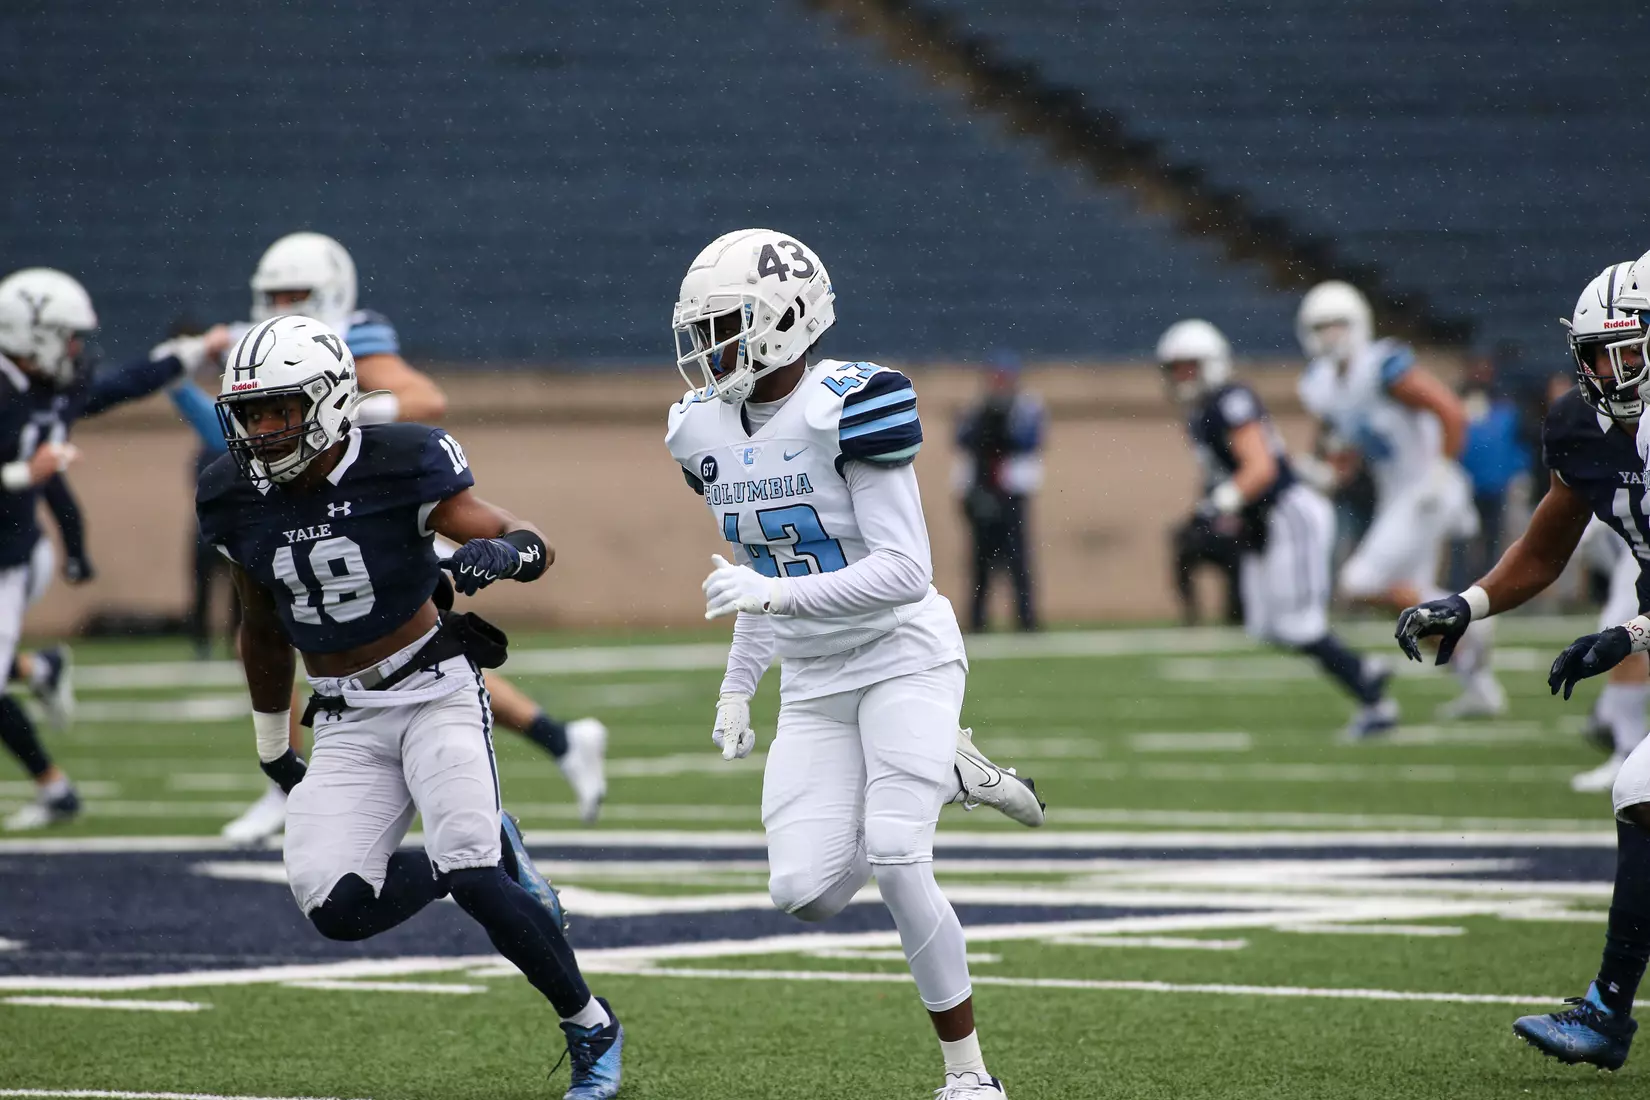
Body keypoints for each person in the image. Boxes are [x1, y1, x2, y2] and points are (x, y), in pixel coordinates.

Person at [666, 229, 1046, 1100]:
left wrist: (774, 601)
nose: (709, 350)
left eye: (726, 326)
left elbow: (906, 571)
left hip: (903, 656)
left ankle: (969, 1076)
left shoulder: (852, 404)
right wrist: (737, 685)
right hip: (813, 681)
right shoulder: (700, 430)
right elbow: (759, 573)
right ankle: (947, 766)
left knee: (897, 852)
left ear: (786, 322)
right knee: (804, 892)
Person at [199, 316, 622, 1098]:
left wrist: (506, 554)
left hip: (434, 691)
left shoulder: (400, 460)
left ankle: (591, 1022)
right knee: (335, 906)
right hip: (345, 714)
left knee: (474, 871)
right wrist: (271, 742)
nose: (261, 431)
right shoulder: (231, 494)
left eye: (278, 411)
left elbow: (521, 534)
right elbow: (261, 624)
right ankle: (488, 854)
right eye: (251, 414)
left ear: (327, 402)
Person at [205, 233, 606, 844]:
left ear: (331, 293)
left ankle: (539, 755)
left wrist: (342, 414)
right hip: (290, 500)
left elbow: (426, 398)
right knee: (327, 633)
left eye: (297, 293)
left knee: (398, 641)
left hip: (369, 508)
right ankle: (559, 739)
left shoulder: (352, 336)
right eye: (274, 294)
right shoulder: (256, 348)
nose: (284, 303)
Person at [1396, 260, 1650, 1071]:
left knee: (1642, 788)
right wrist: (1465, 604)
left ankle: (1608, 1016)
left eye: (1626, 351)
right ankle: (1608, 1014)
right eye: (1596, 353)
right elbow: (1549, 540)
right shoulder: (1581, 426)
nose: (1604, 371)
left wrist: (1631, 635)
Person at [0, 267, 231, 830]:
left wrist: (197, 350)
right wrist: (20, 474)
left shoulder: (51, 387)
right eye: (69, 336)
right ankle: (37, 678)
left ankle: (52, 777)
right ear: (32, 333)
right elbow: (38, 470)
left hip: (13, 558)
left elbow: (123, 384)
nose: (77, 350)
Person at [1159, 319, 1396, 738]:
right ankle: (1360, 667)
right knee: (1266, 625)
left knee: (1299, 623)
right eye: (1175, 368)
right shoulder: (1200, 414)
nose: (1181, 377)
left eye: (1188, 367)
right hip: (1260, 522)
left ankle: (1375, 702)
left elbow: (1260, 467)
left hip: (1289, 516)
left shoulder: (1230, 399)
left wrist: (1219, 504)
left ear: (1210, 364)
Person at [1297, 280, 1504, 718]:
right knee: (1410, 608)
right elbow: (1352, 447)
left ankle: (1469, 613)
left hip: (1427, 487)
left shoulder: (1381, 365)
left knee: (1359, 583)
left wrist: (1442, 470)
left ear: (1357, 324)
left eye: (1338, 325)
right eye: (1322, 327)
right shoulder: (1320, 385)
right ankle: (1477, 683)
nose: (1331, 335)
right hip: (1399, 493)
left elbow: (1449, 409)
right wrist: (1327, 474)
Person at [954, 353, 1043, 631]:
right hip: (983, 490)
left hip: (1011, 492)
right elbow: (964, 440)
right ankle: (978, 619)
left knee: (1018, 558)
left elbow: (1026, 441)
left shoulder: (1026, 407)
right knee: (981, 560)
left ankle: (1026, 619)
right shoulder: (978, 407)